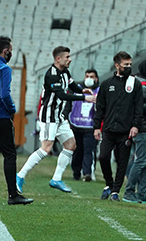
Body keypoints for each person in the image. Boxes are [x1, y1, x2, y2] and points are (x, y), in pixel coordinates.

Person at [17, 46, 97, 193]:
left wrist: (81, 90)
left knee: (71, 145)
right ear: (58, 59)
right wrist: (84, 97)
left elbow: (72, 85)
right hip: (49, 117)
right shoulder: (51, 75)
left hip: (59, 116)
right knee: (46, 148)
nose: (70, 59)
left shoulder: (65, 71)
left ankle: (56, 179)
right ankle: (20, 175)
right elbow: (62, 95)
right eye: (67, 57)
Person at [94, 51, 144, 201]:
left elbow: (138, 108)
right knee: (103, 156)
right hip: (109, 129)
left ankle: (115, 191)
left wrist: (135, 126)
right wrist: (97, 127)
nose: (128, 67)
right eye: (125, 64)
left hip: (125, 130)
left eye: (130, 64)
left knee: (122, 162)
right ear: (117, 65)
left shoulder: (135, 84)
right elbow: (100, 107)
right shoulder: (106, 84)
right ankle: (109, 183)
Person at [0, 37, 32, 205]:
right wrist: (12, 109)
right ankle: (13, 195)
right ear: (6, 51)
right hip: (2, 117)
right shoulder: (4, 68)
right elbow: (5, 94)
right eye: (10, 50)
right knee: (9, 155)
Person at [123, 58, 146, 203]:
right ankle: (129, 191)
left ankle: (142, 192)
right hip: (142, 127)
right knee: (141, 161)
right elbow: (138, 109)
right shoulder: (142, 86)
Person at [69, 69, 99, 182]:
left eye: (91, 76)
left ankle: (87, 173)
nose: (89, 79)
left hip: (91, 126)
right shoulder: (77, 90)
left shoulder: (99, 91)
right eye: (87, 76)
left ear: (96, 79)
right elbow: (69, 104)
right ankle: (76, 171)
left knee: (88, 150)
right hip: (76, 125)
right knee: (77, 150)